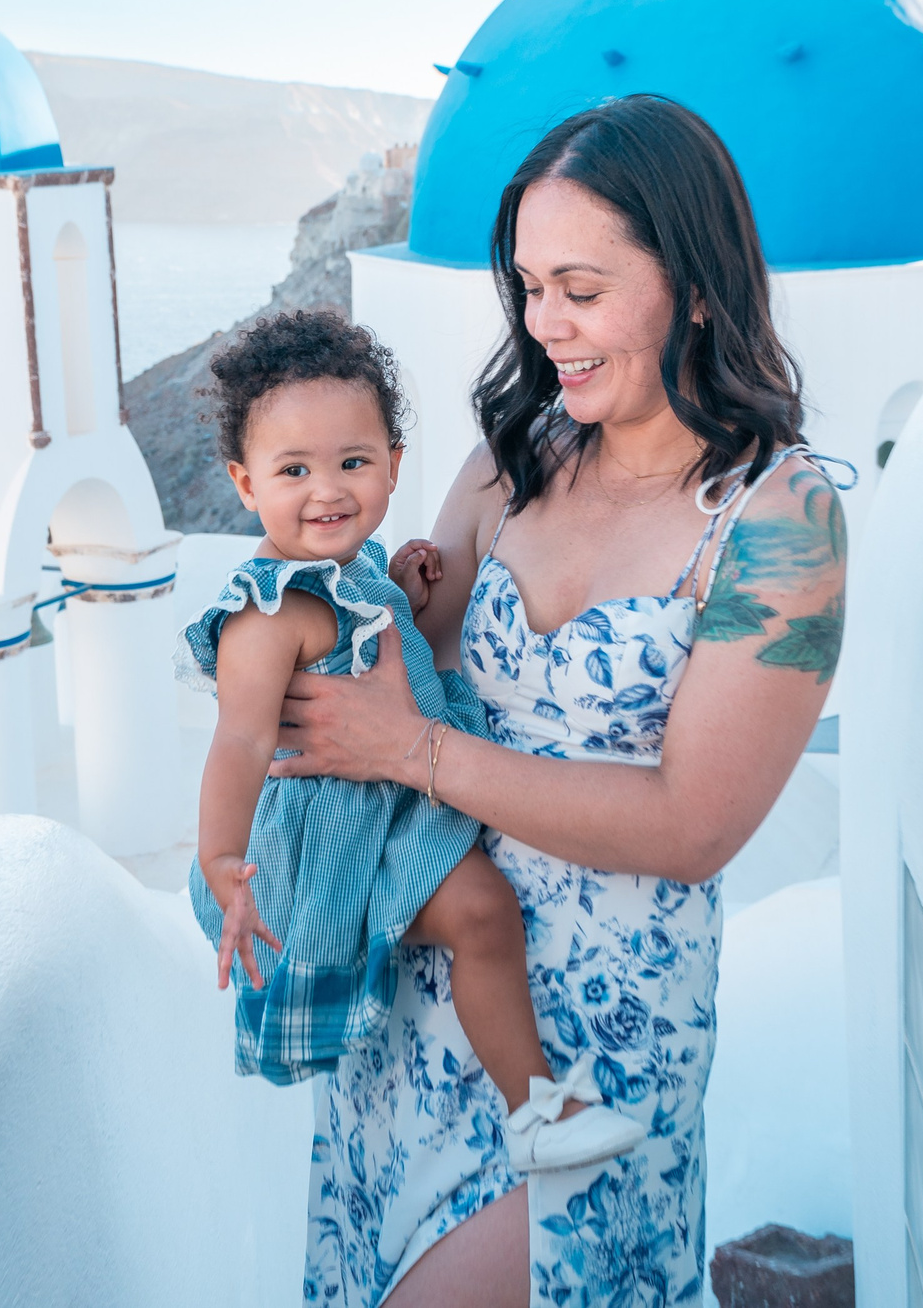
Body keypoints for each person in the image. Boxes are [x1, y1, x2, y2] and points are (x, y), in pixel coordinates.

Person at [268, 96, 852, 1307]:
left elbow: (695, 820)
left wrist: (418, 750)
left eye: (581, 288)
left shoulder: (778, 521)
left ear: (693, 284)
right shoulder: (508, 458)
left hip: (601, 1045)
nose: (546, 325)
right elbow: (394, 665)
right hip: (424, 993)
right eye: (528, 287)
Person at [182, 307, 646, 1173]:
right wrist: (219, 862)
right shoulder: (264, 616)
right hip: (325, 852)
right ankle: (534, 1110)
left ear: (394, 467)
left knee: (485, 909)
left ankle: (529, 1104)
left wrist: (400, 591)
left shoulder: (353, 570)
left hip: (384, 814)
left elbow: (383, 658)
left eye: (353, 462)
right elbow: (240, 744)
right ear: (245, 485)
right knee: (481, 911)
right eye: (294, 470)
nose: (328, 490)